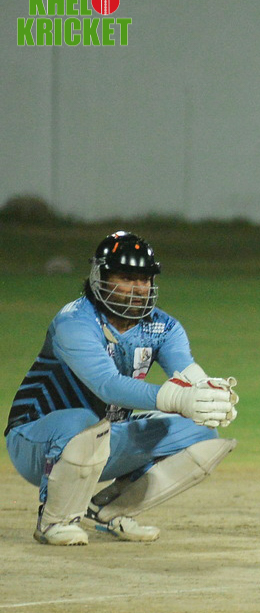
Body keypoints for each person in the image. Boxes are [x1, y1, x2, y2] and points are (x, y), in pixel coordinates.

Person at [5, 230, 239, 546]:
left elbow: (185, 371)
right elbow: (108, 385)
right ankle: (55, 520)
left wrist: (208, 391)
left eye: (145, 279)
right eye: (127, 278)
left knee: (201, 434)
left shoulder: (163, 326)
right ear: (99, 277)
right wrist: (178, 397)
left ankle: (109, 510)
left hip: (104, 436)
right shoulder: (75, 322)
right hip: (37, 439)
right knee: (84, 423)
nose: (139, 288)